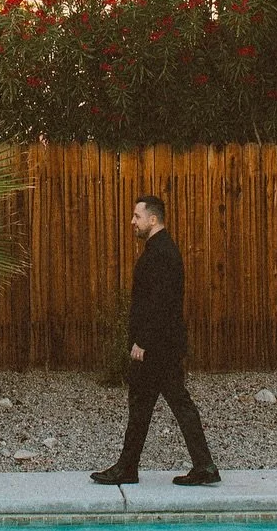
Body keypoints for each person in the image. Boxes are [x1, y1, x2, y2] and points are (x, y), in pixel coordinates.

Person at [92, 194, 220, 487]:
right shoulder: (159, 249)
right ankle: (195, 465)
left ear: (153, 219)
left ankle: (136, 467)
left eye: (137, 216)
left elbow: (160, 303)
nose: (132, 222)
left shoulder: (161, 253)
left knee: (161, 403)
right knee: (149, 404)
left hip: (156, 348)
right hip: (161, 346)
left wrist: (142, 342)